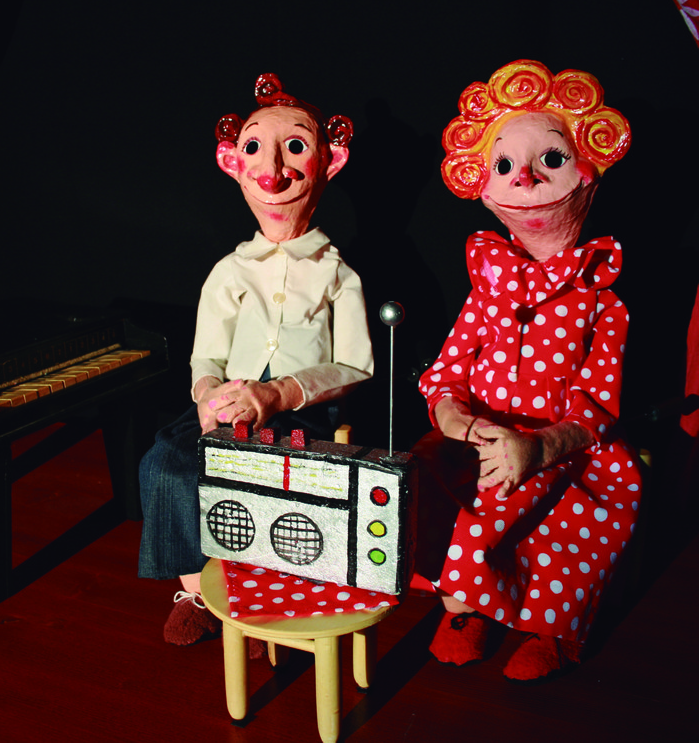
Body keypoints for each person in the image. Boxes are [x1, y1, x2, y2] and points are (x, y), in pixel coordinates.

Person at [413, 60, 642, 682]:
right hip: (482, 437)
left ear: (588, 172)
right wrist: (453, 418)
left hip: (564, 450)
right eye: (506, 165)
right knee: (432, 480)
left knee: (552, 515)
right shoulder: (488, 285)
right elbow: (449, 369)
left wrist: (540, 447)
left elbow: (598, 405)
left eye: (552, 159)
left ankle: (549, 625)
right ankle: (467, 608)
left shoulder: (602, 301)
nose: (527, 178)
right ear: (484, 186)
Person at [138, 74, 373, 646]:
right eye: (253, 149)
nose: (273, 170)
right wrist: (207, 395)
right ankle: (194, 589)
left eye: (294, 147)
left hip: (301, 413)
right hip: (227, 407)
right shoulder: (230, 270)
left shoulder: (337, 274)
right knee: (164, 463)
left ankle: (271, 583)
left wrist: (280, 393)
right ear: (233, 164)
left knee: (270, 477)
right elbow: (206, 354)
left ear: (329, 162)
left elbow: (356, 366)